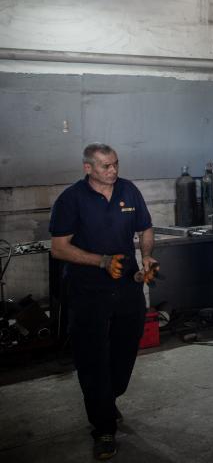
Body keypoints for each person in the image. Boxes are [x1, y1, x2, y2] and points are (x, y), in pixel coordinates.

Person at [49, 143, 158, 460]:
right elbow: (58, 247)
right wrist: (100, 261)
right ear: (88, 168)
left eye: (115, 164)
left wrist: (147, 256)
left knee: (127, 344)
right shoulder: (71, 200)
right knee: (92, 357)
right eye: (105, 166)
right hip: (87, 291)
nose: (113, 171)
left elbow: (145, 228)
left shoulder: (129, 191)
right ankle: (103, 428)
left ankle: (108, 398)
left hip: (126, 285)